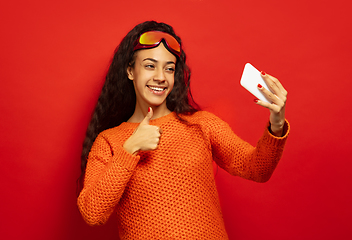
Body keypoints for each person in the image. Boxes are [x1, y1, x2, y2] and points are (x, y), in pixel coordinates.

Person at [77, 20, 289, 239]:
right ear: (130, 71)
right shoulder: (109, 141)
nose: (160, 76)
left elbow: (257, 168)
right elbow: (93, 213)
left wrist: (277, 123)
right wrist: (130, 149)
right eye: (150, 65)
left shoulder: (202, 124)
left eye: (169, 68)